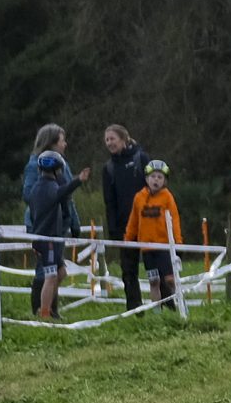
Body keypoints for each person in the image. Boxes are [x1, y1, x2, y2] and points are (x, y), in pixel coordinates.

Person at [22, 123, 81, 317]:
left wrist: (73, 221)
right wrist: (48, 198)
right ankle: (40, 311)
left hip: (59, 224)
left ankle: (51, 309)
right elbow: (29, 194)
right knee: (45, 271)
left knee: (58, 271)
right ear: (52, 142)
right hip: (43, 225)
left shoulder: (63, 164)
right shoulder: (35, 165)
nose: (65, 144)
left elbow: (67, 195)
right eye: (62, 140)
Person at [26, 154, 91, 319]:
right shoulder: (49, 188)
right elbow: (63, 192)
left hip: (48, 239)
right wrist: (79, 180)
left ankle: (49, 309)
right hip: (47, 240)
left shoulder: (37, 188)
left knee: (61, 273)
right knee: (51, 276)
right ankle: (44, 314)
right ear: (57, 170)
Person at [100, 124, 148, 310]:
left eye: (112, 138)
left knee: (155, 267)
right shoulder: (108, 168)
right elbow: (109, 201)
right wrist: (112, 228)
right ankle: (134, 308)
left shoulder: (141, 158)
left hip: (147, 221)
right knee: (128, 269)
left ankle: (166, 305)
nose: (109, 143)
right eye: (107, 140)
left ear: (124, 139)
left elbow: (156, 186)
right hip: (125, 226)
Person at [124, 158, 183, 309]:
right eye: (153, 176)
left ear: (165, 181)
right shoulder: (139, 197)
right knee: (154, 281)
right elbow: (133, 220)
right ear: (146, 179)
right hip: (147, 248)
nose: (156, 180)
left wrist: (178, 242)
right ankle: (157, 311)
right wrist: (128, 239)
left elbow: (175, 219)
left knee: (170, 279)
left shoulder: (167, 197)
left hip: (164, 246)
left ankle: (181, 303)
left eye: (159, 177)